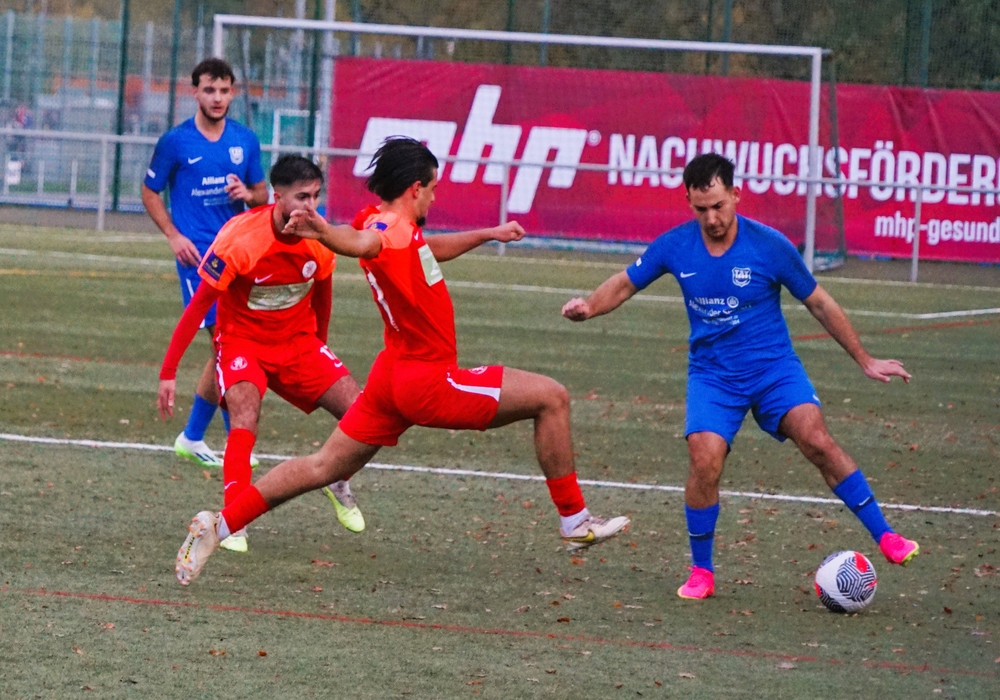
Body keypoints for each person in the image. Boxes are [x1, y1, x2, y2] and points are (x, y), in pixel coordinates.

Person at [175, 136, 630, 585]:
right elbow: (364, 243)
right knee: (552, 397)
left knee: (322, 467)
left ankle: (220, 525)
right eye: (433, 188)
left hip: (389, 379)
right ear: (415, 188)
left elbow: (418, 249)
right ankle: (575, 519)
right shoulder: (386, 230)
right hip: (428, 381)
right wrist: (325, 233)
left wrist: (487, 234)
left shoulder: (386, 221)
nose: (435, 196)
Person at [561, 153, 919, 600]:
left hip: (773, 369)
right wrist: (590, 306)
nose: (711, 218)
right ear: (689, 203)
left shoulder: (770, 245)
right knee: (704, 459)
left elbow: (820, 303)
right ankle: (702, 571)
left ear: (735, 194)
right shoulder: (675, 245)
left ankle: (886, 536)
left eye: (718, 206)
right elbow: (625, 282)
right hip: (714, 377)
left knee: (817, 440)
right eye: (701, 209)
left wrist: (865, 359)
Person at [157, 155, 366, 553]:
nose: (311, 206)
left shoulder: (321, 239)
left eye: (316, 196)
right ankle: (233, 522)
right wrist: (169, 371)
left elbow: (323, 300)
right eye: (302, 197)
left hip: (298, 344)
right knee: (244, 415)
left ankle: (338, 477)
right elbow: (198, 308)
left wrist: (320, 350)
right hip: (242, 343)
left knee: (363, 412)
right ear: (277, 196)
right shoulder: (240, 238)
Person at [142, 58, 269, 470]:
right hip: (197, 257)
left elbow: (263, 194)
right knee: (227, 343)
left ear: (233, 93)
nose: (217, 98)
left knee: (227, 347)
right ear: (194, 91)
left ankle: (193, 436)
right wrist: (173, 235)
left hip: (238, 253)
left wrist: (246, 194)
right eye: (209, 90)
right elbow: (149, 191)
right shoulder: (175, 141)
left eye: (224, 90)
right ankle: (234, 444)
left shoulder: (245, 140)